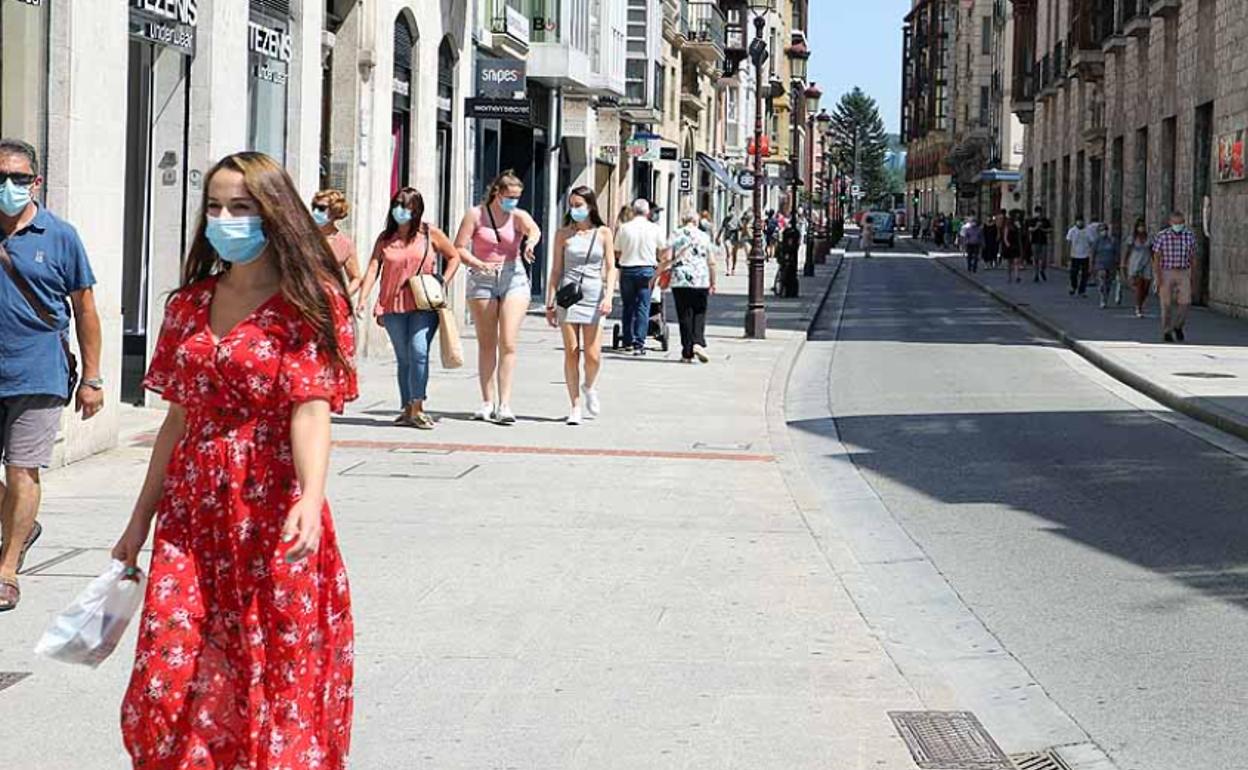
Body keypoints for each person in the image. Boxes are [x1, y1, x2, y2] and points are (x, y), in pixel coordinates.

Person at [110, 151, 357, 766]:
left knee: (271, 665)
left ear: (275, 216)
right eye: (215, 206)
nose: (224, 218)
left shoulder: (310, 303)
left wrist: (309, 494)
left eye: (241, 208)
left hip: (270, 507)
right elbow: (177, 420)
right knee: (167, 675)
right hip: (191, 514)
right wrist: (139, 521)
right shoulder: (187, 306)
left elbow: (311, 407)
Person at [0, 137, 103, 612]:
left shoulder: (60, 236)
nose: (9, 186)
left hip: (37, 373)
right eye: (1, 178)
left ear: (35, 182)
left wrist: (93, 378)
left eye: (18, 178)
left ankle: (7, 568)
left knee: (23, 468)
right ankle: (20, 523)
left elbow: (85, 310)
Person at [356, 187, 461, 429]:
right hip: (392, 304)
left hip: (424, 304)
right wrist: (363, 297)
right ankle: (406, 408)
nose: (400, 210)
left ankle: (418, 406)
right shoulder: (385, 238)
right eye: (397, 205)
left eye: (406, 206)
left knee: (419, 351)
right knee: (404, 358)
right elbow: (373, 268)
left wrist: (443, 281)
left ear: (416, 210)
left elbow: (454, 256)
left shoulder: (429, 233)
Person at [453, 171, 541, 424]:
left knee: (509, 342)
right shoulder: (476, 215)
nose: (513, 201)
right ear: (497, 193)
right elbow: (459, 247)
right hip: (483, 279)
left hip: (513, 276)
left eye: (517, 197)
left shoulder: (518, 216)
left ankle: (505, 404)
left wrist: (530, 243)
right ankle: (486, 401)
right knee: (487, 343)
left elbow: (534, 230)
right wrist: (478, 263)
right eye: (510, 196)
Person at [546, 187, 616, 425]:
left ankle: (589, 386)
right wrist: (550, 301)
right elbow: (556, 269)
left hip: (594, 295)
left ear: (590, 206)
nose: (574, 209)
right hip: (568, 296)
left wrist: (609, 296)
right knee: (572, 352)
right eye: (572, 205)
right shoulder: (563, 234)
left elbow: (611, 267)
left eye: (579, 205)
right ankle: (574, 405)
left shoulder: (604, 233)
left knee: (593, 355)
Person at [614, 198, 670, 356]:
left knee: (628, 306)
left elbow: (617, 251)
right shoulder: (655, 229)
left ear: (633, 210)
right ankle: (639, 343)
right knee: (643, 307)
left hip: (627, 270)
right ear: (647, 212)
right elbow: (663, 251)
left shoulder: (624, 228)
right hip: (646, 271)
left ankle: (627, 341)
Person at [661, 210, 718, 364]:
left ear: (682, 219)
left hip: (680, 279)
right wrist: (713, 282)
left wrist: (661, 273)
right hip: (701, 279)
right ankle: (698, 342)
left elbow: (666, 257)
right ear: (696, 221)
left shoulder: (676, 234)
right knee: (699, 312)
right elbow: (712, 262)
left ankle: (687, 352)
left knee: (684, 314)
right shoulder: (704, 236)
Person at [1151, 210, 1198, 342]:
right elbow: (1156, 257)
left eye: (1181, 223)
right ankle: (1166, 331)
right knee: (1166, 304)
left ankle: (1178, 326)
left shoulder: (1189, 236)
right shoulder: (1162, 236)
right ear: (1170, 223)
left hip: (1183, 271)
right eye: (1176, 223)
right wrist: (1158, 276)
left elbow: (1193, 257)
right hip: (1166, 271)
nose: (1178, 225)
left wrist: (1193, 276)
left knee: (1185, 302)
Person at [311, 188, 362, 297]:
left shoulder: (344, 244)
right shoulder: (304, 237)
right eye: (314, 207)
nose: (315, 212)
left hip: (329, 303)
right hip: (304, 301)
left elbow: (356, 278)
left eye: (321, 208)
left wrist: (342, 297)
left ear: (334, 211)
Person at [1122, 218, 1153, 318]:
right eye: (1140, 226)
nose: (1141, 228)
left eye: (1143, 226)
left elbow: (1153, 251)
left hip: (1147, 262)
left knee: (1146, 286)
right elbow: (1127, 251)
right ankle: (1138, 307)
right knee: (1139, 286)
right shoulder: (1132, 238)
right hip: (1136, 262)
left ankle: (1141, 302)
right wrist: (1124, 263)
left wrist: (1156, 263)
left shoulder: (1149, 238)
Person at [1093, 223, 1120, 309]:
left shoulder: (1112, 240)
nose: (1103, 232)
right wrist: (1092, 263)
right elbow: (1093, 252)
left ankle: (1105, 298)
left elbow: (1116, 252)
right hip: (1100, 264)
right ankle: (1102, 298)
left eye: (1105, 230)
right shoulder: (1097, 241)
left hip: (1111, 264)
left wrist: (1117, 263)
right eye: (1101, 230)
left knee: (1108, 283)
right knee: (1102, 281)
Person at [1066, 216, 1092, 296]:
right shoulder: (1072, 231)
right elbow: (1069, 242)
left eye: (1081, 221)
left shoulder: (1088, 231)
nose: (1080, 223)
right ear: (1076, 222)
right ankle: (1074, 286)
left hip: (1085, 255)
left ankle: (1082, 290)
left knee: (1085, 274)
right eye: (1078, 221)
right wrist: (1068, 256)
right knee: (1074, 273)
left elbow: (1091, 242)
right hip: (1074, 255)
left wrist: (1090, 253)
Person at [1028, 206, 1051, 281]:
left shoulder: (1045, 220)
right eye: (1037, 212)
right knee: (1036, 258)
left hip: (1043, 241)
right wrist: (1036, 227)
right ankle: (1036, 274)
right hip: (1035, 241)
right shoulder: (1033, 220)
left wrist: (1043, 229)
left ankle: (1042, 270)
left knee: (1044, 258)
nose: (1039, 214)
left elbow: (1050, 229)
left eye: (1040, 212)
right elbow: (1030, 229)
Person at [1001, 212, 1022, 283]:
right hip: (1010, 244)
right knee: (1009, 263)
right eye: (1016, 217)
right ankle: (1009, 277)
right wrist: (1007, 243)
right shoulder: (1008, 225)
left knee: (1016, 261)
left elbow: (1020, 234)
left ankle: (1017, 276)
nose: (1017, 219)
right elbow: (1005, 236)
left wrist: (1019, 227)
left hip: (1016, 244)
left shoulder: (1018, 225)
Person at [719, 209, 740, 276]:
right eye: (731, 210)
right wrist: (718, 237)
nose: (732, 212)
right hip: (727, 238)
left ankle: (733, 268)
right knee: (728, 253)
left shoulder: (737, 219)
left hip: (735, 238)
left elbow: (741, 227)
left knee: (734, 254)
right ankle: (728, 269)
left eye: (733, 210)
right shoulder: (726, 219)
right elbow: (722, 228)